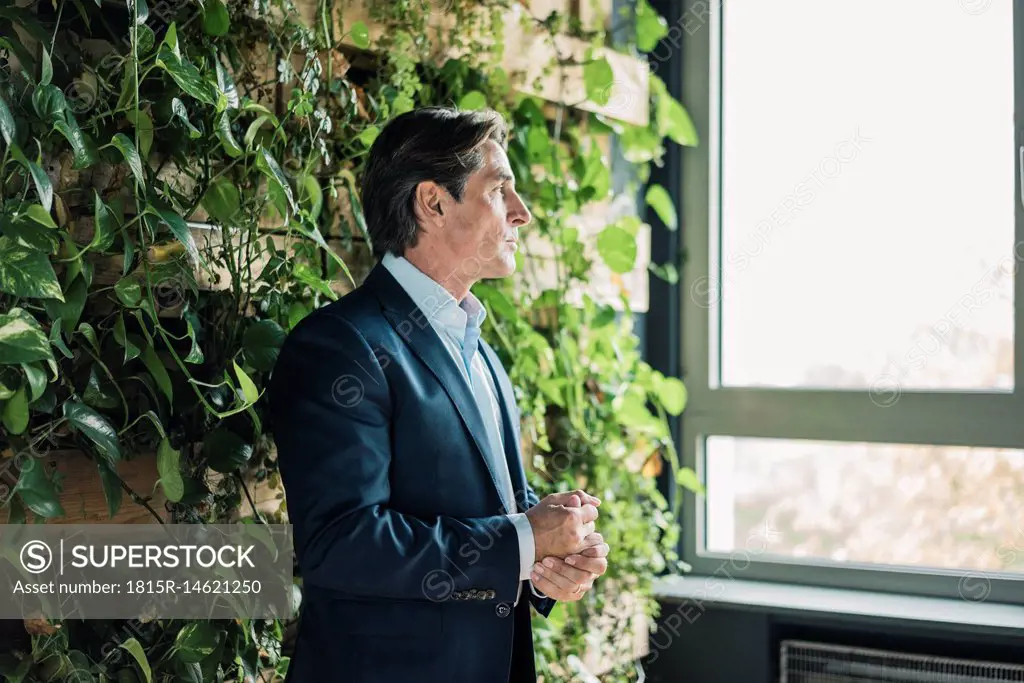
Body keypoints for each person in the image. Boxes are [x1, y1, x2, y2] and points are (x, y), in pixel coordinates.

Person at [268, 106, 610, 683]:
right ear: (432, 203)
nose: (521, 214)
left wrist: (553, 556)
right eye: (500, 191)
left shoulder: (481, 349)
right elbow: (341, 543)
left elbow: (499, 516)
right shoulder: (339, 346)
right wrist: (524, 539)